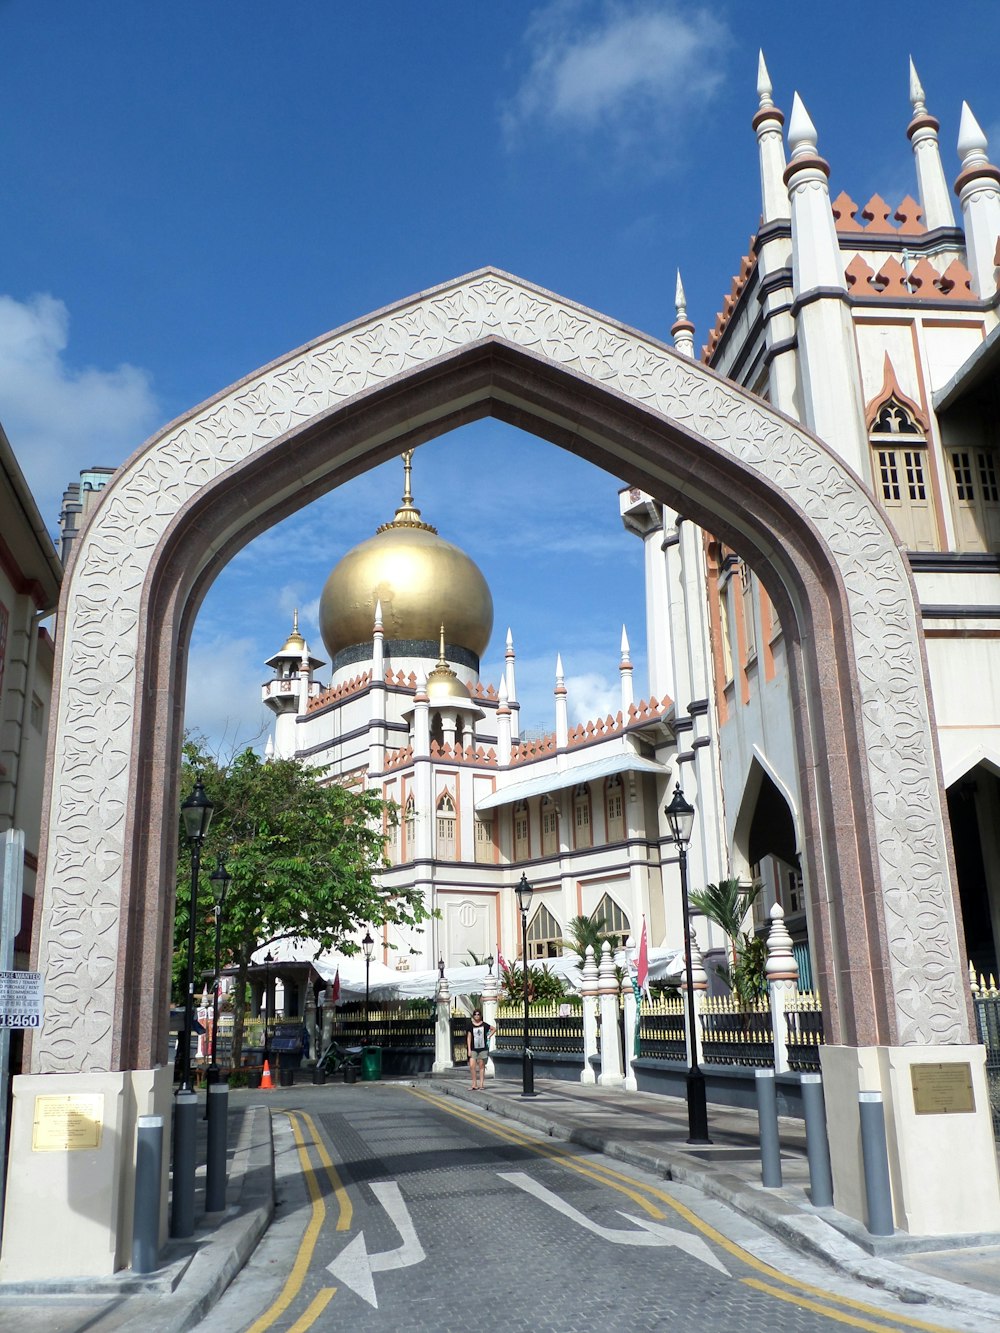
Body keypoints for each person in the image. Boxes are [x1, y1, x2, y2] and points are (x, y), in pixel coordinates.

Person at [466, 1008, 493, 1090]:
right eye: (475, 1014)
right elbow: (469, 1037)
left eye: (478, 1014)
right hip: (474, 1048)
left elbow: (494, 1028)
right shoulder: (470, 1025)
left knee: (481, 1066)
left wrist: (489, 1036)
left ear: (480, 1016)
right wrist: (469, 1049)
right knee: (472, 1066)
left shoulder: (484, 1025)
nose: (477, 1016)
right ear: (473, 1016)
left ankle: (481, 1084)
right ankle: (474, 1084)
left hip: (482, 1048)